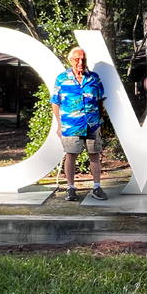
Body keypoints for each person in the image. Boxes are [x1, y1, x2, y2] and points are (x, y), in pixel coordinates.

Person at [51, 47, 108, 201]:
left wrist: (101, 122)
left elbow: (101, 100)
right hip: (71, 125)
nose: (80, 62)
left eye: (83, 59)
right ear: (70, 60)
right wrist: (59, 124)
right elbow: (55, 102)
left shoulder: (94, 78)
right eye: (77, 59)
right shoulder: (62, 79)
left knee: (95, 155)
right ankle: (70, 188)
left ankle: (97, 187)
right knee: (71, 155)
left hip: (92, 124)